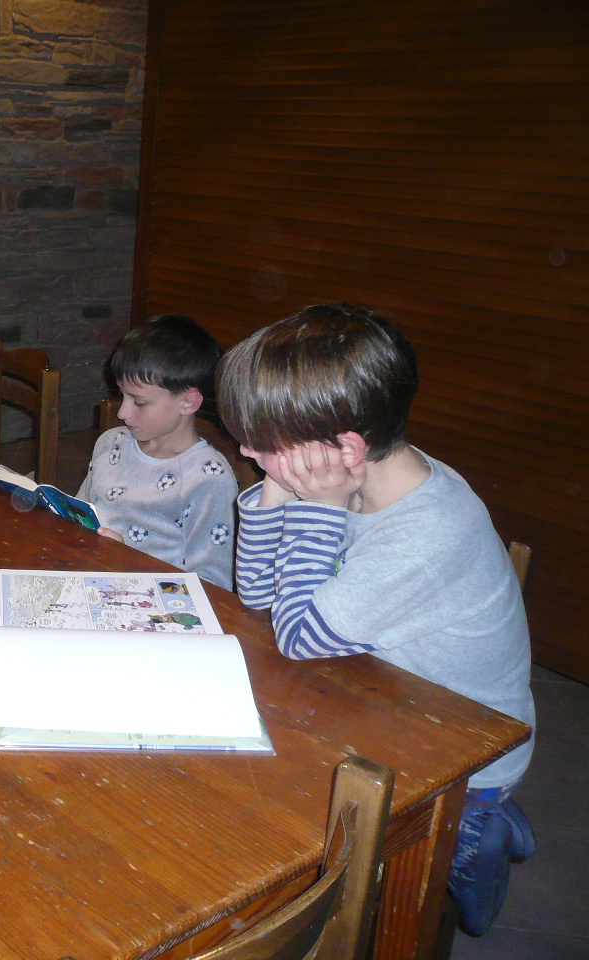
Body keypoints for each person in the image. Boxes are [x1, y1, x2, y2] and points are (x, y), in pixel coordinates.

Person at [215, 302, 536, 937]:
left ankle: (480, 834)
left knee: (297, 848)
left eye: (262, 443)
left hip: (459, 749)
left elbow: (297, 636)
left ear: (346, 449)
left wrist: (317, 508)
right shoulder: (357, 481)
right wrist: (279, 487)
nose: (245, 450)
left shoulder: (426, 532)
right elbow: (256, 593)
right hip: (378, 687)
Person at [76, 314, 237, 590]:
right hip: (90, 576)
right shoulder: (111, 443)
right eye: (122, 395)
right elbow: (78, 515)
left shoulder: (209, 479)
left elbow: (214, 585)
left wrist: (126, 563)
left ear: (188, 403)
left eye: (139, 402)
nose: (122, 412)